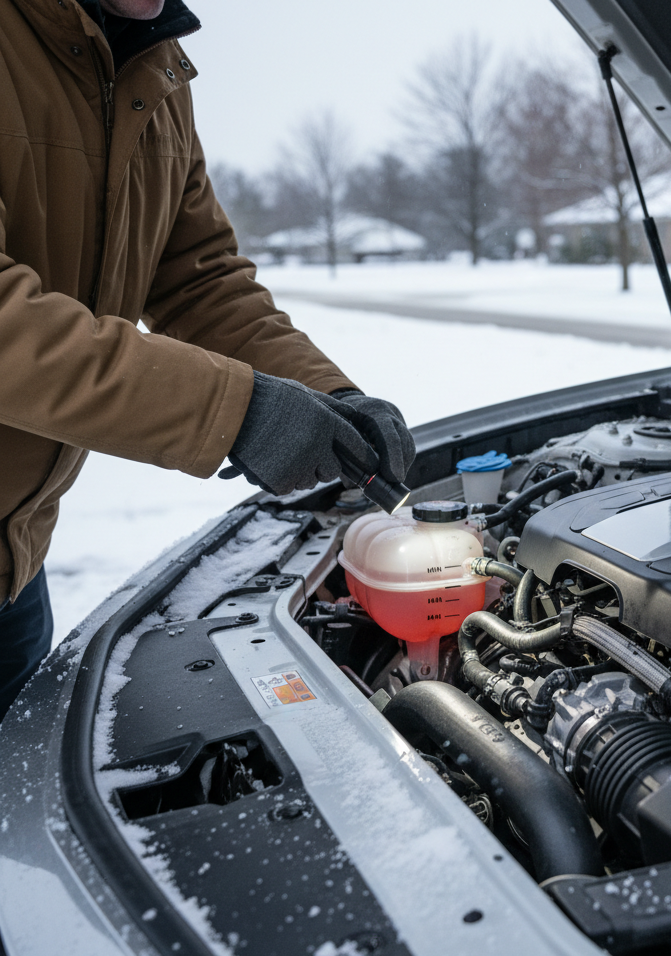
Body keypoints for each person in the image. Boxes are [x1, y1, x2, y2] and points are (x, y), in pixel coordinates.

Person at [0, 0, 415, 716]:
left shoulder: (155, 72)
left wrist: (330, 397)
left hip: (16, 562)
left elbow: (199, 279)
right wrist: (236, 411)